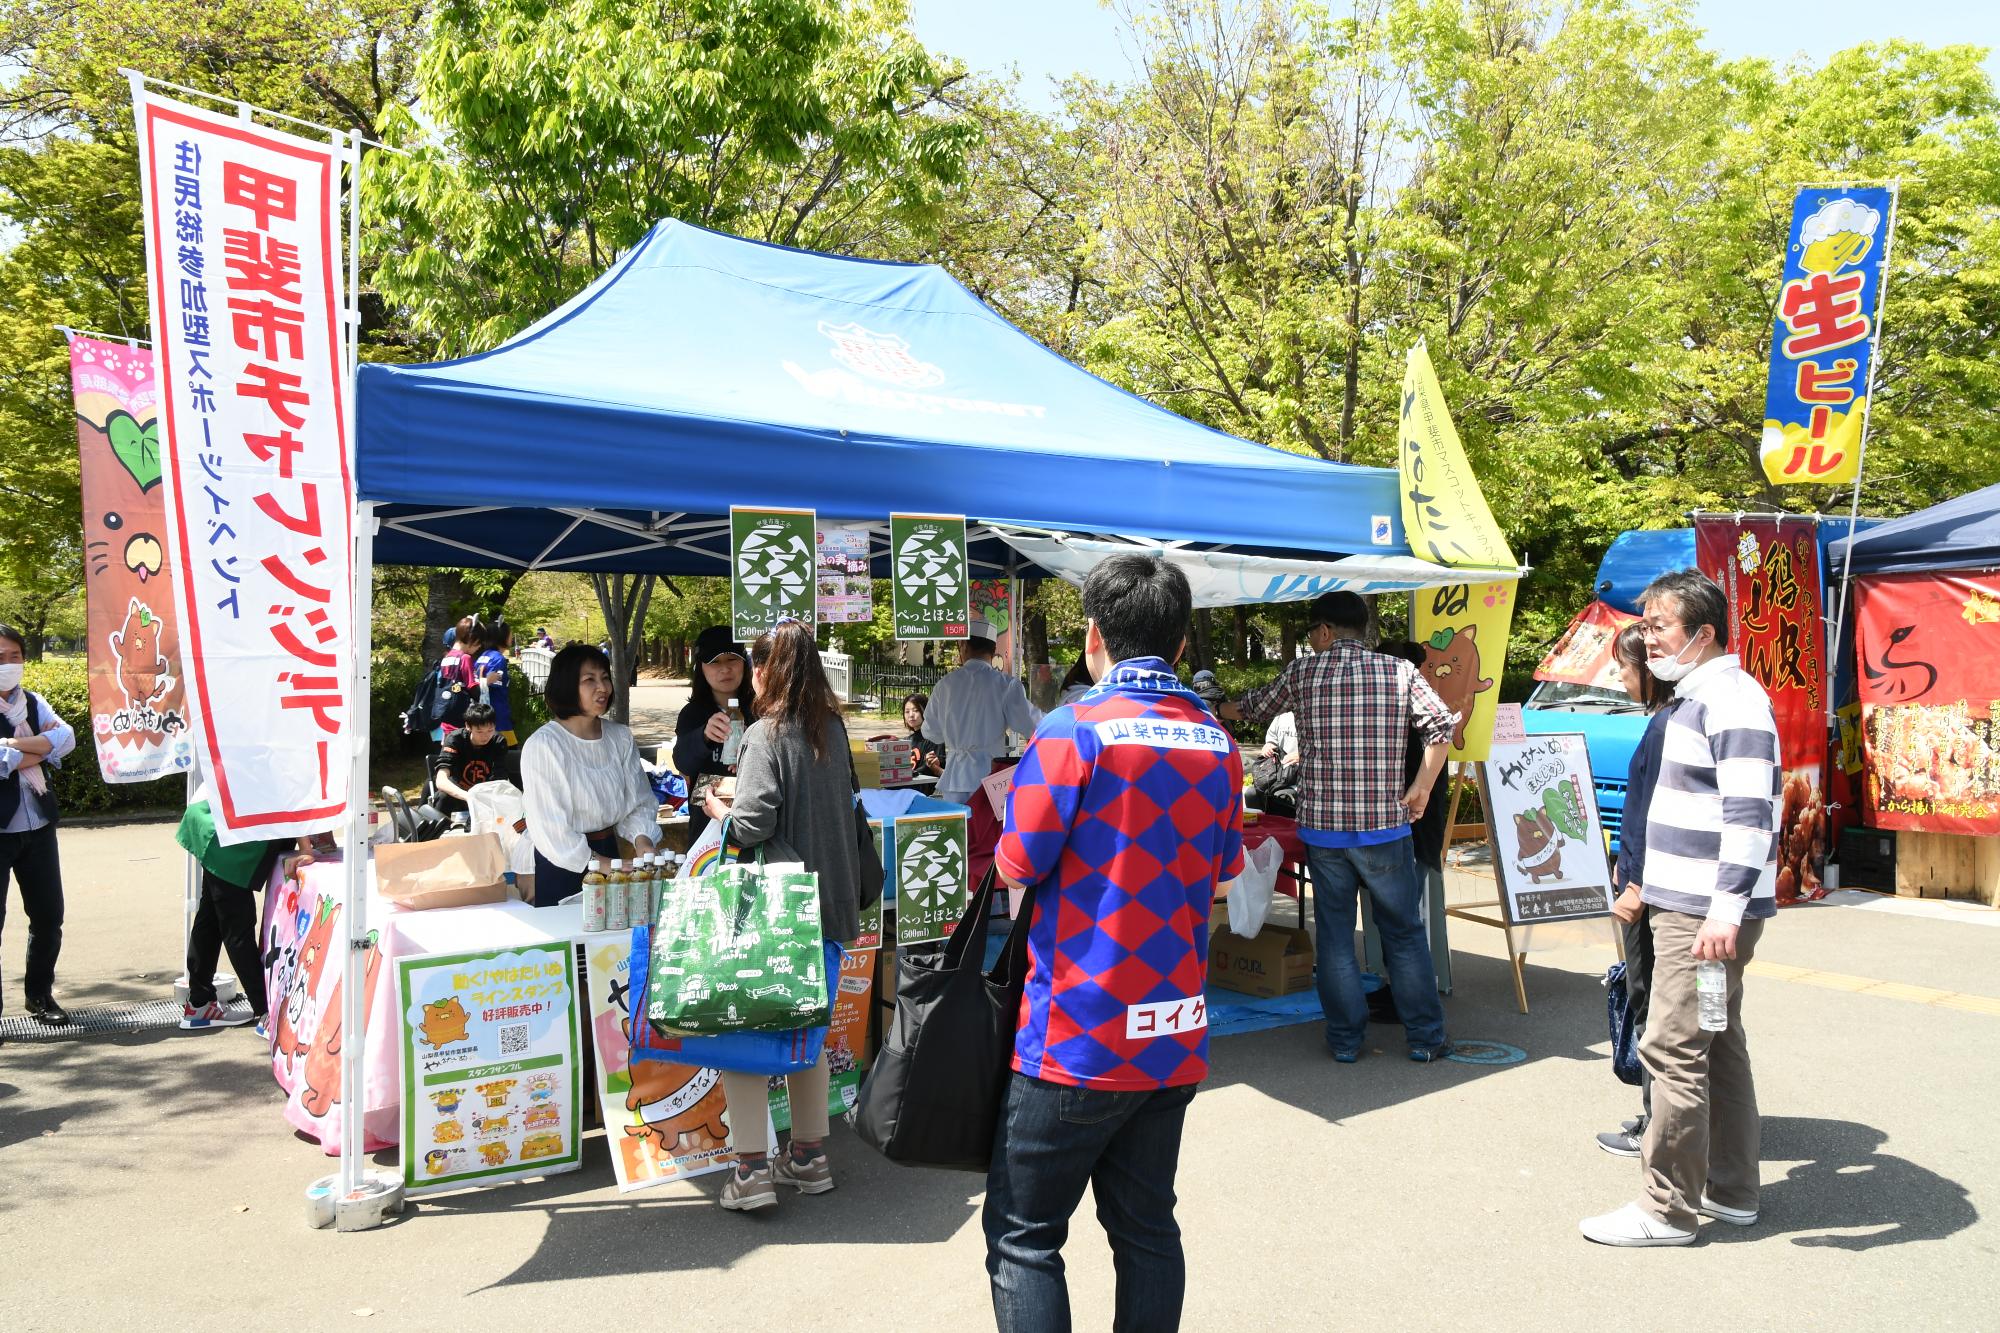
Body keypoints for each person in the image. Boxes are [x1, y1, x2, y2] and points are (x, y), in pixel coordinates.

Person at [987, 554, 1243, 1333]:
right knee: (1146, 1229)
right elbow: (1227, 871)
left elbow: (1016, 862)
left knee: (1025, 1237)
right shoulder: (1217, 741)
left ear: (1094, 634)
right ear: (1182, 639)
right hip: (1171, 1031)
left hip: (1078, 1031)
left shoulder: (1073, 732)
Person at [1583, 569, 1780, 1247]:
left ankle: (1666, 1206)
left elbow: (1751, 812)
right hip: (1694, 909)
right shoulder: (1700, 697)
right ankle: (1731, 1189)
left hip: (1701, 917)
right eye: (1645, 624)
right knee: (1716, 1041)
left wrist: (1725, 911)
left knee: (1672, 1044)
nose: (1647, 637)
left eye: (1658, 625)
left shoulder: (1730, 699)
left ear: (1702, 633)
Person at [1221, 591, 1456, 1063]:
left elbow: (1250, 708)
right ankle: (1426, 1039)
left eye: (1311, 632)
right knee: (1404, 934)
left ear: (1325, 631)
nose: (1311, 640)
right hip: (1386, 828)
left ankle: (1347, 1041)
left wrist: (1214, 705)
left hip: (1324, 832)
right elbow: (1441, 728)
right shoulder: (1399, 671)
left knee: (1335, 938)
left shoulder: (1304, 672)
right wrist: (1422, 787)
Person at [699, 620, 863, 1213]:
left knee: (745, 1031)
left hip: (775, 911)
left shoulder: (766, 735)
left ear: (765, 672)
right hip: (832, 905)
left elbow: (753, 824)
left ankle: (749, 1172)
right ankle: (809, 1156)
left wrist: (719, 805)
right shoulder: (834, 731)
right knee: (805, 1030)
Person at [1593, 621, 1677, 1158]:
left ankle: (1656, 1127)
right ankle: (1659, 1120)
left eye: (1624, 669)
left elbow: (1654, 815)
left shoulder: (1669, 723)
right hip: (1653, 884)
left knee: (1648, 1004)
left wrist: (1635, 884)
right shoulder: (1669, 718)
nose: (1620, 680)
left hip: (1651, 891)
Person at [520, 643, 659, 908]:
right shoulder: (545, 746)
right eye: (589, 680)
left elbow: (639, 800)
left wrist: (643, 840)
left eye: (605, 678)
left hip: (611, 852)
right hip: (563, 864)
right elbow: (550, 828)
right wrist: (600, 864)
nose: (603, 688)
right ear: (567, 686)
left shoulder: (620, 737)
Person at [176, 791, 312, 1033]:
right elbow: (290, 793)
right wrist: (307, 849)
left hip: (216, 818)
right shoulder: (286, 757)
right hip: (224, 831)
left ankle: (199, 1003)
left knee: (211, 918)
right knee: (237, 926)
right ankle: (266, 1013)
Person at [0, 623, 76, 1027]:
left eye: (14, 657)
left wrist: (11, 747)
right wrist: (38, 750)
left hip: (39, 824)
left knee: (49, 916)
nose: (8, 665)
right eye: (0, 658)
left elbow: (67, 738)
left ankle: (39, 996)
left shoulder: (32, 702)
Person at [925, 618, 1042, 804]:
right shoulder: (1005, 684)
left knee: (960, 830)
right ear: (993, 650)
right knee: (989, 832)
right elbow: (1031, 725)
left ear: (963, 646)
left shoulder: (944, 685)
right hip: (991, 775)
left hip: (955, 778)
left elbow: (931, 732)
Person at [673, 626, 759, 844]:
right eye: (715, 662)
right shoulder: (692, 714)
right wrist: (703, 736)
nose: (725, 669)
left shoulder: (761, 710)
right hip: (707, 832)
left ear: (744, 663)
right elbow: (683, 763)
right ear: (701, 667)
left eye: (732, 659)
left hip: (756, 825)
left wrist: (753, 766)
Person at [434, 702, 515, 815]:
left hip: (486, 795)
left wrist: (481, 799)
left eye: (490, 730)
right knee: (443, 796)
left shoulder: (498, 742)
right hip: (459, 793)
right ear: (468, 726)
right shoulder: (455, 740)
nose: (485, 736)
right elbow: (441, 780)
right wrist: (468, 797)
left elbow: (499, 779)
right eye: (479, 731)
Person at [431, 616, 480, 746]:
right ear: (471, 639)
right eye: (478, 643)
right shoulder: (465, 658)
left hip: (446, 715)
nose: (478, 647)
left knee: (448, 754)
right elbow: (472, 686)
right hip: (462, 718)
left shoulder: (447, 657)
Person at [475, 618, 517, 744]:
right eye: (510, 634)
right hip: (497, 715)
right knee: (508, 752)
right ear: (502, 637)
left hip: (483, 713)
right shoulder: (499, 659)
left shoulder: (483, 656)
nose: (511, 637)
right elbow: (494, 684)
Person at [902, 693, 945, 779]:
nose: (911, 715)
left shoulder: (934, 738)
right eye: (907, 711)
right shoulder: (906, 741)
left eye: (916, 710)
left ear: (926, 711)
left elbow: (935, 767)